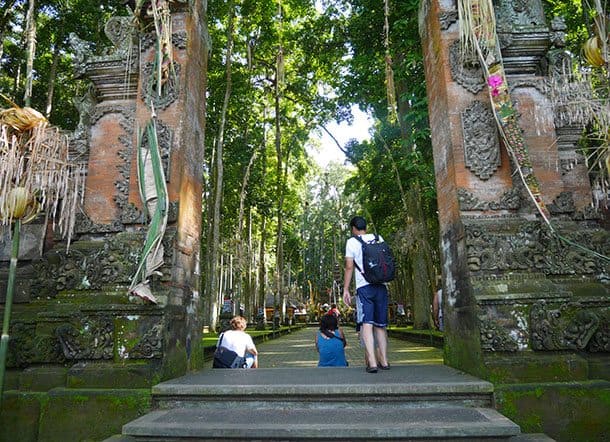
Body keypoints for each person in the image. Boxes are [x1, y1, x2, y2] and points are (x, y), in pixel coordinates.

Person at [343, 216, 390, 373]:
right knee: (381, 326)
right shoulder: (378, 238)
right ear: (365, 227)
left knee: (367, 324)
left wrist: (346, 289)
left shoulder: (352, 242)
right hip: (381, 286)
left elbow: (349, 267)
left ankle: (372, 362)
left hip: (364, 288)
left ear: (353, 229)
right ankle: (384, 360)